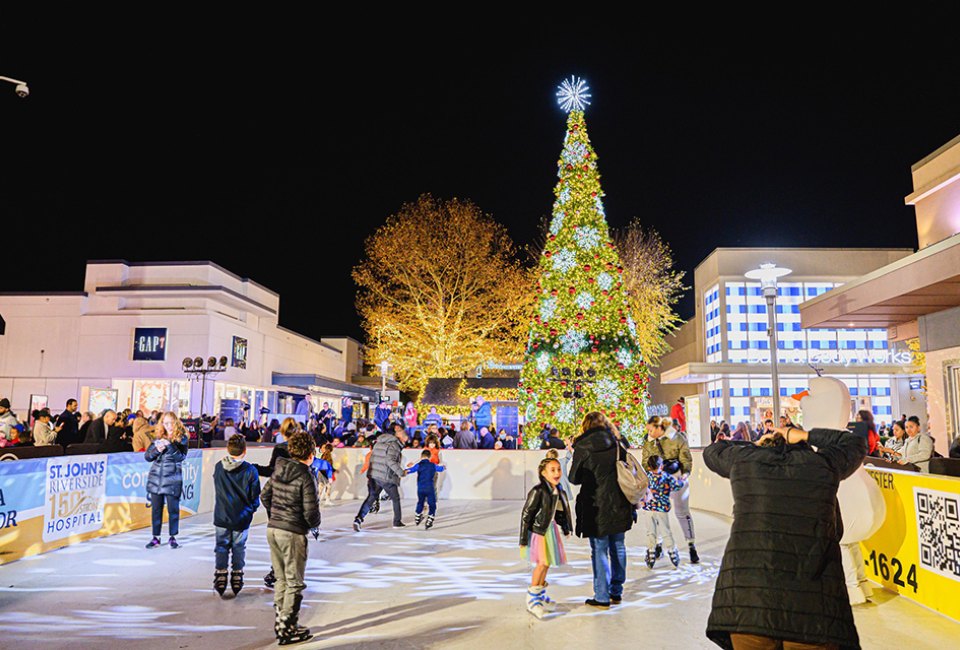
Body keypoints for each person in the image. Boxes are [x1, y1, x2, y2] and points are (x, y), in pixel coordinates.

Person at [703, 424, 865, 649]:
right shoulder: (822, 464)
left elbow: (714, 451)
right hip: (813, 610)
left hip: (748, 605)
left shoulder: (746, 461)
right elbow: (855, 442)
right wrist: (805, 435)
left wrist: (758, 444)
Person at [261, 430, 320, 645]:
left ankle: (281, 622)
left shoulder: (279, 469)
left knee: (281, 578)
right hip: (292, 532)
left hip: (273, 529)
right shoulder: (306, 475)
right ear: (311, 453)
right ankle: (287, 627)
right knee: (294, 581)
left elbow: (264, 495)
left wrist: (276, 513)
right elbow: (311, 511)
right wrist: (312, 525)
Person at [570, 411, 633, 607]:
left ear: (585, 426)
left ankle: (602, 595)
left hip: (595, 504)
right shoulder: (616, 443)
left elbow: (574, 478)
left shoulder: (582, 446)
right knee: (618, 547)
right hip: (620, 502)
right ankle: (616, 591)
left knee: (599, 548)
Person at [520, 456, 571, 619]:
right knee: (542, 564)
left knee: (547, 563)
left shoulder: (557, 490)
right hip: (539, 532)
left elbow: (561, 511)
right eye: (552, 470)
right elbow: (526, 514)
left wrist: (566, 527)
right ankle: (532, 599)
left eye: (558, 469)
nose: (557, 473)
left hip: (550, 530)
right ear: (543, 473)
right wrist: (523, 539)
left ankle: (539, 596)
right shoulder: (538, 491)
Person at [642, 416, 699, 563]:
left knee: (682, 511)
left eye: (650, 429)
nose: (648, 432)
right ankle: (659, 544)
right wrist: (651, 472)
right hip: (658, 479)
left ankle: (691, 544)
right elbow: (644, 460)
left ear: (659, 428)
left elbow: (686, 458)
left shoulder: (677, 438)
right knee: (657, 512)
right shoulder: (649, 441)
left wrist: (685, 474)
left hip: (676, 476)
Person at [213, 434, 261, 597]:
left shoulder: (219, 467)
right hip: (241, 517)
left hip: (222, 515)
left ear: (228, 449)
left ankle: (220, 575)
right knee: (239, 546)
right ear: (245, 451)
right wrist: (251, 510)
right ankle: (237, 575)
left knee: (221, 546)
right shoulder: (250, 470)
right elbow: (255, 495)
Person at [144, 412, 189, 549]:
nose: (168, 426)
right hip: (156, 479)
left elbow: (180, 457)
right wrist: (157, 449)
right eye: (165, 423)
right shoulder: (157, 437)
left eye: (170, 423)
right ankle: (155, 537)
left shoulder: (182, 438)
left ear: (176, 422)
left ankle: (172, 537)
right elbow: (147, 456)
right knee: (156, 510)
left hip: (172, 479)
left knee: (173, 510)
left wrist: (169, 445)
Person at [354, 422, 407, 530]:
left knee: (371, 498)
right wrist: (401, 472)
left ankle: (358, 519)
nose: (404, 434)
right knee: (395, 498)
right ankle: (397, 521)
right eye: (401, 431)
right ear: (396, 431)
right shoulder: (394, 444)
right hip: (386, 476)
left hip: (374, 475)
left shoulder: (379, 442)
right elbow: (390, 460)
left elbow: (374, 457)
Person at [641, 455, 687, 568]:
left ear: (649, 467)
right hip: (662, 508)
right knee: (666, 531)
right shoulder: (666, 476)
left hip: (649, 508)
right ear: (661, 466)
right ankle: (672, 552)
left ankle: (651, 553)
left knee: (651, 532)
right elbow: (676, 486)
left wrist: (642, 500)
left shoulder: (646, 477)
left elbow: (641, 489)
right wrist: (681, 480)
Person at [405, 449, 446, 529]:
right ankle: (430, 518)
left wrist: (403, 471)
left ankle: (417, 516)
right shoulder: (432, 465)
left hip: (420, 488)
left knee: (420, 502)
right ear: (430, 457)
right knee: (432, 504)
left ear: (421, 456)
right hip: (429, 487)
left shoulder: (418, 465)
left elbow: (411, 470)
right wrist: (443, 467)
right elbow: (440, 469)